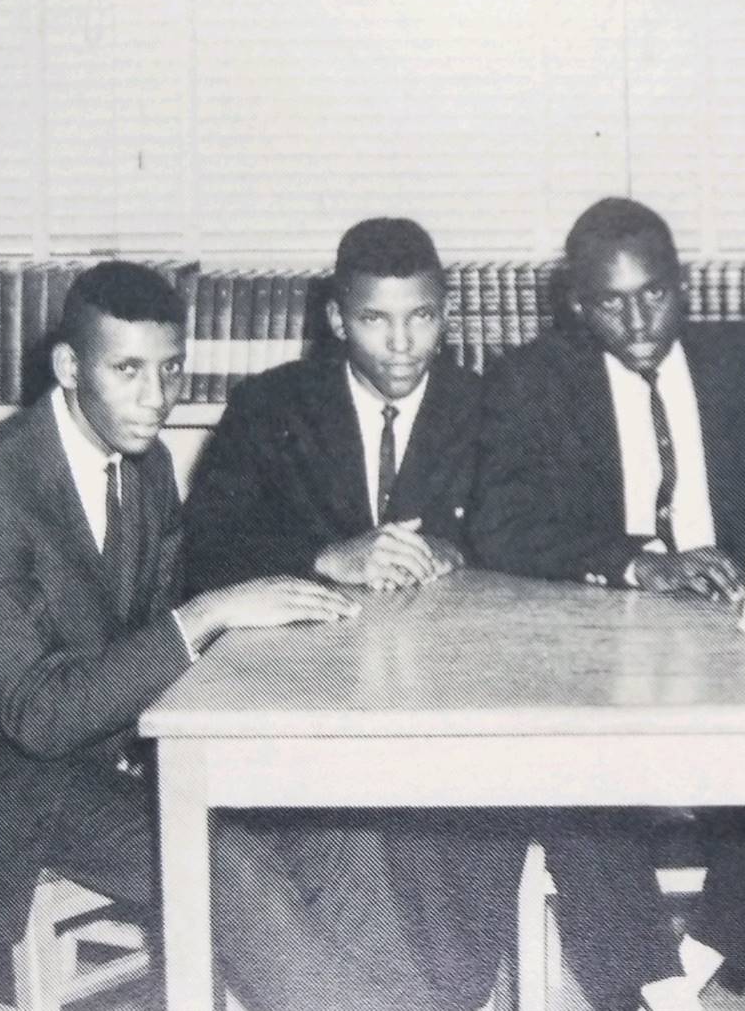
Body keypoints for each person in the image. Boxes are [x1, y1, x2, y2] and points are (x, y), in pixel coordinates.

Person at [0, 260, 420, 1011]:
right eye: (127, 369)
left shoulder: (145, 463)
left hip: (99, 750)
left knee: (329, 819)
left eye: (171, 368)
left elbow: (144, 641)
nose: (157, 397)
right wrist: (209, 612)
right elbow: (39, 713)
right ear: (68, 366)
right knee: (220, 858)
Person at [467, 197, 745, 1011]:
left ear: (682, 284)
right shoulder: (532, 382)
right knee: (562, 768)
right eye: (611, 302)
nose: (638, 318)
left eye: (653, 293)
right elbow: (499, 525)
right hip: (604, 650)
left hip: (742, 646)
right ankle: (645, 985)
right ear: (578, 306)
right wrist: (638, 563)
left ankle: (697, 959)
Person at [184, 217, 525, 1010]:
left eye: (423, 317)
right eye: (375, 319)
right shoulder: (270, 403)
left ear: (449, 313)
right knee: (345, 854)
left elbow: (534, 530)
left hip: (456, 699)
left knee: (459, 849)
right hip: (307, 695)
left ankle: (446, 988)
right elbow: (205, 548)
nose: (403, 344)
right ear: (337, 319)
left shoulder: (491, 405)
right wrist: (323, 555)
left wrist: (460, 549)